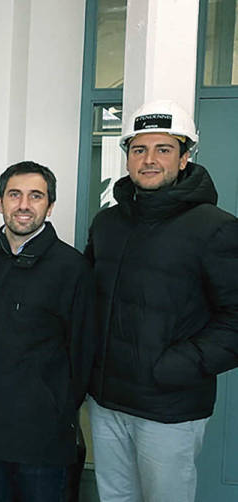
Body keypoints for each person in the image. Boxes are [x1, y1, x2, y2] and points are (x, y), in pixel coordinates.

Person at [85, 100, 238, 502]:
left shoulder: (215, 228)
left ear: (185, 157)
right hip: (106, 403)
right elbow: (88, 304)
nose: (149, 160)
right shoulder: (107, 223)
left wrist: (171, 367)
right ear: (128, 158)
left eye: (163, 149)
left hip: (168, 406)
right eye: (139, 150)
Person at [0, 162, 96, 502]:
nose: (23, 205)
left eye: (36, 196)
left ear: (50, 206)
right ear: (0, 201)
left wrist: (53, 405)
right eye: (14, 195)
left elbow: (83, 354)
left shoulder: (72, 268)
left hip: (42, 439)